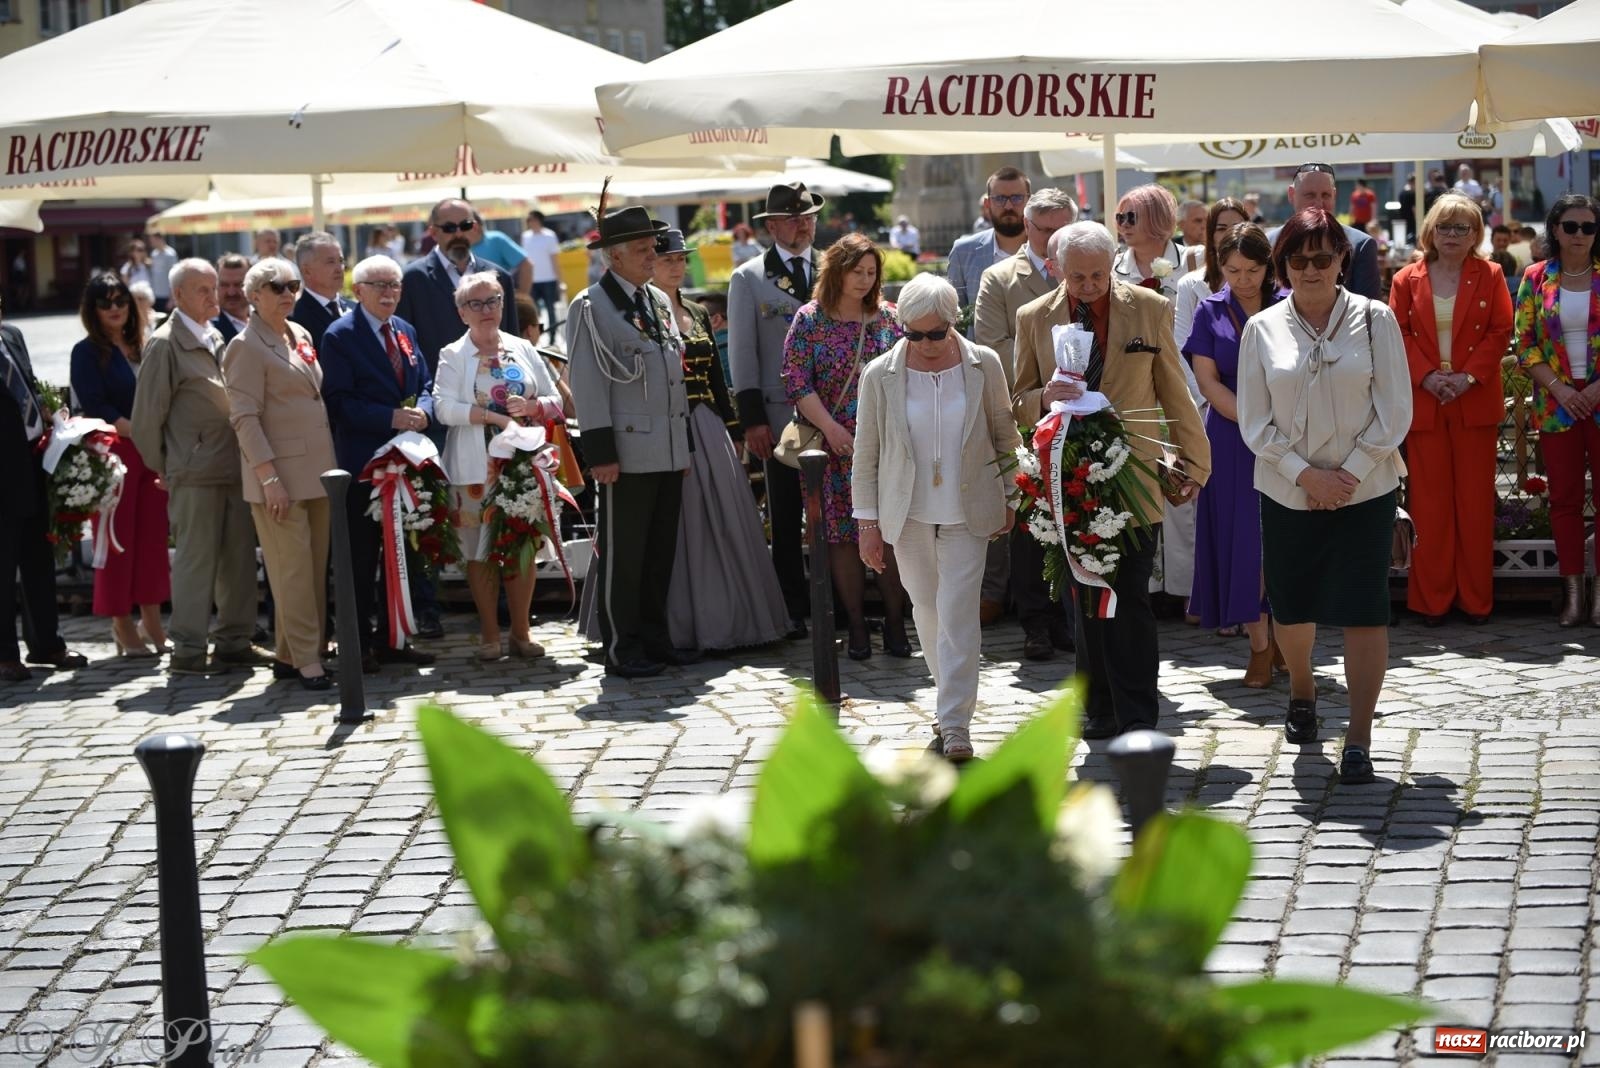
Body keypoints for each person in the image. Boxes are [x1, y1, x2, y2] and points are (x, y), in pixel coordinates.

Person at [1014, 221, 1209, 738]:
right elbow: (1016, 402)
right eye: (1077, 276)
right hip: (1067, 477)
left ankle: (1139, 712)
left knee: (1131, 595)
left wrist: (1196, 462)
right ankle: (1098, 709)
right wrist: (1043, 397)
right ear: (1055, 268)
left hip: (1135, 473)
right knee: (1085, 597)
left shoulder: (1148, 308)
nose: (1089, 285)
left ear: (1112, 262)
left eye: (1098, 274)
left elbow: (1174, 390)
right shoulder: (1033, 318)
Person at [1237, 208, 1412, 785]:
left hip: (1366, 490)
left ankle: (1358, 737)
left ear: (1343, 260)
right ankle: (1304, 691)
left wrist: (1350, 474)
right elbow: (1254, 423)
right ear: (1281, 266)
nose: (1310, 269)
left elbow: (1395, 411)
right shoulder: (1260, 328)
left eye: (1322, 258)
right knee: (1293, 604)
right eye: (1297, 259)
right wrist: (1305, 476)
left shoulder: (1376, 318)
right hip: (1288, 491)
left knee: (1365, 610)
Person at [854, 273, 1022, 761]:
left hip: (968, 512)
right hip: (905, 514)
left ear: (955, 322)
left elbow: (1004, 434)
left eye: (936, 333)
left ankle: (954, 726)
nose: (926, 344)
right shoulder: (879, 374)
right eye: (914, 333)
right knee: (926, 608)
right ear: (901, 326)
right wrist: (867, 525)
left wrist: (1012, 496)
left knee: (958, 613)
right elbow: (866, 455)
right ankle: (948, 702)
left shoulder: (983, 364)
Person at [566, 201, 694, 678]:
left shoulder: (657, 301)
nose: (651, 256)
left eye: (652, 247)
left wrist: (682, 446)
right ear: (614, 256)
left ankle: (656, 639)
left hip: (665, 448)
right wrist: (601, 454)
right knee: (625, 557)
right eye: (641, 249)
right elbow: (588, 383)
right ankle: (622, 647)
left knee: (660, 552)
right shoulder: (591, 306)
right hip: (624, 451)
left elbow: (670, 381)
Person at [647, 229, 788, 649]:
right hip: (667, 428)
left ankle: (736, 615)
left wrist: (734, 428)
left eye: (680, 258)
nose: (676, 265)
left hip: (708, 426)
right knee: (679, 524)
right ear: (648, 263)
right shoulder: (640, 313)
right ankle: (679, 623)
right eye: (667, 258)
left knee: (728, 520)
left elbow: (713, 376)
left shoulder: (697, 310)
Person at [131, 258, 265, 677]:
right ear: (178, 296)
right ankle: (188, 649)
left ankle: (235, 641)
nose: (214, 296)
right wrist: (169, 467)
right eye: (203, 289)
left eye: (214, 288)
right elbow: (146, 419)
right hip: (194, 473)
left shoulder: (216, 335)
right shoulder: (165, 343)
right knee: (196, 561)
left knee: (240, 560)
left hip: (233, 467)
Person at [782, 232, 909, 659]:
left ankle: (896, 622)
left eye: (872, 273)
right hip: (832, 448)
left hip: (886, 446)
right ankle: (855, 625)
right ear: (837, 271)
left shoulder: (889, 318)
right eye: (858, 271)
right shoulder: (810, 319)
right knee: (840, 539)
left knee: (889, 533)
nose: (865, 280)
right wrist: (833, 430)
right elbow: (796, 379)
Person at [1390, 195, 1514, 628]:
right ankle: (1431, 602)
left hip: (1472, 400)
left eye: (1463, 228)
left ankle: (1476, 601)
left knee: (1475, 505)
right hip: (1426, 401)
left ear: (1476, 234)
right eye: (1445, 227)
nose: (1453, 236)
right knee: (1428, 506)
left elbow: (1501, 331)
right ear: (1431, 231)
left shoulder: (1492, 274)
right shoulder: (1406, 278)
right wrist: (1426, 376)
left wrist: (1467, 377)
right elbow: (1397, 334)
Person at [221, 257, 339, 691]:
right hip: (278, 478)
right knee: (291, 572)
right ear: (253, 296)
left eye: (292, 285)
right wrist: (269, 478)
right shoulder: (244, 346)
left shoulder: (300, 333)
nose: (288, 292)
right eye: (276, 286)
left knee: (311, 567)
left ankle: (291, 653)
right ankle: (309, 658)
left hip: (318, 471)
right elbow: (244, 418)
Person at [436, 271, 564, 662]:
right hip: (476, 469)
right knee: (479, 551)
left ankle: (521, 632)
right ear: (462, 313)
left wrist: (532, 408)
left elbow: (556, 399)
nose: (486, 310)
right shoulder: (452, 355)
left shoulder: (522, 348)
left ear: (502, 305)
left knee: (522, 545)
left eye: (492, 301)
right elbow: (443, 408)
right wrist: (492, 418)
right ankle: (490, 632)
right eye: (475, 304)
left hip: (523, 466)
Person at [320, 255, 439, 673]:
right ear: (359, 291)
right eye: (380, 285)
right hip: (362, 465)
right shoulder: (340, 335)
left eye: (395, 285)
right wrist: (389, 417)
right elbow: (338, 401)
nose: (389, 293)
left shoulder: (404, 330)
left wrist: (424, 410)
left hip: (405, 461)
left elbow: (425, 381)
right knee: (361, 558)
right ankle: (359, 643)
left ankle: (395, 637)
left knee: (402, 553)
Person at [974, 186, 1077, 658]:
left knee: (1081, 517)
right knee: (1032, 524)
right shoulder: (999, 279)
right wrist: (1059, 366)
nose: (1054, 238)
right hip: (1028, 413)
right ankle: (1036, 621)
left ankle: (1074, 617)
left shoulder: (1090, 272)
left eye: (1063, 229)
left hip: (1082, 415)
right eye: (1045, 229)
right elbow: (993, 346)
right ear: (1028, 228)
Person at [1184, 223, 1285, 682]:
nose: (1242, 280)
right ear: (1219, 267)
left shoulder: (1291, 307)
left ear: (1268, 266)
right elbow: (1206, 382)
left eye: (1252, 270)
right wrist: (1253, 422)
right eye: (1232, 270)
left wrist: (1274, 426)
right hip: (1229, 438)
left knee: (1281, 544)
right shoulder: (1210, 311)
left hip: (1288, 436)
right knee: (1241, 543)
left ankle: (1286, 639)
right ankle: (1259, 646)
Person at [728, 181, 828, 637]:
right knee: (785, 515)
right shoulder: (750, 277)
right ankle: (791, 604)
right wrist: (751, 420)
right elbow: (742, 354)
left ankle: (837, 598)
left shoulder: (833, 267)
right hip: (779, 412)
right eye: (791, 218)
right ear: (770, 226)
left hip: (836, 409)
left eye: (807, 216)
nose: (802, 225)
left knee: (838, 508)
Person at [69, 272, 171, 659]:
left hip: (151, 452)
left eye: (120, 301)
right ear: (92, 310)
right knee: (116, 541)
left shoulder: (143, 345)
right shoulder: (87, 352)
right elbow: (95, 406)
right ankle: (121, 622)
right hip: (115, 455)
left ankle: (153, 620)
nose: (115, 308)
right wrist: (140, 432)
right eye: (105, 303)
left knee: (152, 539)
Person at [1113, 183, 1204, 613]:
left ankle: (1187, 590)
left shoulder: (1193, 262)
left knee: (1184, 485)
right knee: (1144, 485)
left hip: (1186, 382)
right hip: (1138, 389)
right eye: (1120, 218)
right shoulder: (1114, 268)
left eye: (1132, 217)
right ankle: (1148, 590)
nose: (1124, 227)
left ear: (1157, 218)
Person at [1513, 193, 1600, 626]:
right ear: (1555, 230)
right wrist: (1562, 390)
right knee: (1563, 500)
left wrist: (1594, 390)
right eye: (1571, 226)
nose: (1580, 235)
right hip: (1557, 402)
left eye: (1588, 226)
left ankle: (1599, 595)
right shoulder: (1535, 277)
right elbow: (1524, 343)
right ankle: (1572, 595)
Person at [0, 302, 88, 682]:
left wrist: (53, 417)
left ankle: (46, 644)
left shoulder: (11, 335)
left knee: (39, 558)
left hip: (33, 463)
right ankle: (4, 655)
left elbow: (29, 389)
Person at [396, 198, 518, 378]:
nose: (458, 233)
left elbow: (511, 339)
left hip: (494, 388)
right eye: (449, 228)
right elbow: (403, 344)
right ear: (433, 233)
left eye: (465, 226)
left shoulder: (501, 278)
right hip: (436, 390)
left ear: (475, 228)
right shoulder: (412, 279)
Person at [1268, 164, 1382, 301]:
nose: (1318, 203)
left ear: (1334, 195)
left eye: (1326, 195)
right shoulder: (1269, 243)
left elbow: (1368, 311)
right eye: (1310, 195)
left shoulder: (1360, 246)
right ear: (1292, 195)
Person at [948, 167, 1032, 318]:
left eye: (1017, 198)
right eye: (1000, 198)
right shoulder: (963, 252)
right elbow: (955, 316)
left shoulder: (1047, 250)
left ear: (1029, 201)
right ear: (987, 204)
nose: (1008, 206)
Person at [1174, 198, 1249, 351]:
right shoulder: (1189, 284)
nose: (1230, 234)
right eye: (1221, 229)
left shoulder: (1265, 280)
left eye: (1238, 227)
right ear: (1211, 234)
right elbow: (1181, 346)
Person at [289, 231, 348, 351]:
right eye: (330, 262)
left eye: (341, 261)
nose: (339, 268)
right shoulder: (294, 318)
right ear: (307, 271)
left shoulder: (356, 309)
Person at [520, 210, 564, 331]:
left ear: (539, 220)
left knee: (551, 309)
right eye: (528, 220)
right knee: (533, 310)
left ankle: (553, 336)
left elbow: (555, 260)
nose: (529, 223)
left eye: (531, 219)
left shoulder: (549, 235)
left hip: (549, 279)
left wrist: (560, 281)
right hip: (532, 280)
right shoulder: (525, 236)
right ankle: (537, 334)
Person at [471, 210, 533, 296]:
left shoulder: (496, 240)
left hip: (498, 303)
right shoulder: (457, 247)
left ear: (476, 226)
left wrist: (522, 297)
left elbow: (526, 265)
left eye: (464, 225)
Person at [213, 253, 251, 344]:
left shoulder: (266, 318)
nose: (231, 292)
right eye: (224, 285)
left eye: (238, 285)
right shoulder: (208, 328)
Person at [147, 232, 178, 313]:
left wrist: (171, 299)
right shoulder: (154, 254)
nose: (151, 243)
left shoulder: (170, 254)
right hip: (155, 295)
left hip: (166, 297)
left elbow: (174, 277)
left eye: (152, 240)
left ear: (159, 239)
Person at [1488, 224, 1519, 293]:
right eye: (1498, 240)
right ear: (1491, 240)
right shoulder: (1485, 261)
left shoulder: (1514, 259)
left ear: (1509, 241)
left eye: (1505, 240)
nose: (1502, 243)